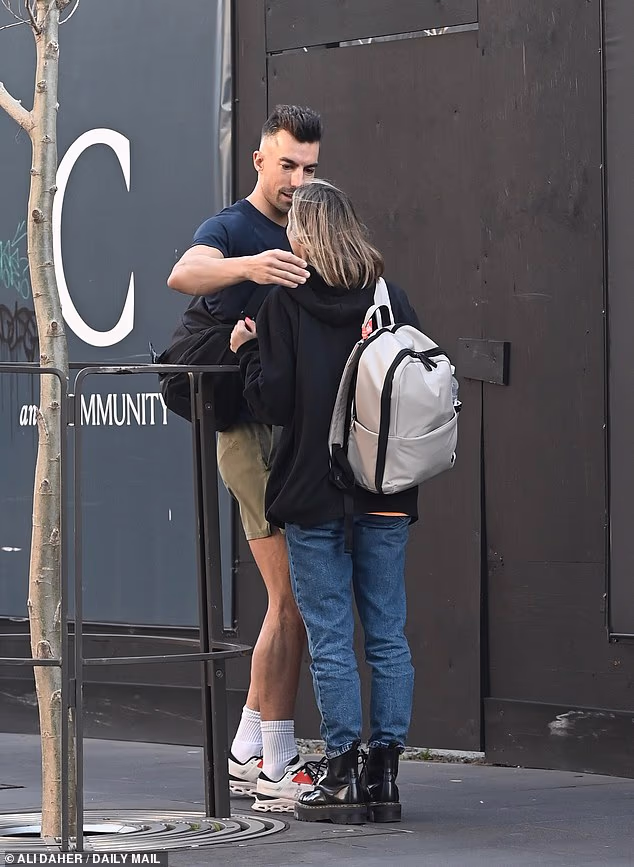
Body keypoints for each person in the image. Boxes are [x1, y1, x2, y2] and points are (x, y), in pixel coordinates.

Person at [230, 180, 418, 825]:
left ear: (307, 234)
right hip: (387, 487)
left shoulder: (282, 303)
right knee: (388, 636)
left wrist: (249, 349)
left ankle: (341, 774)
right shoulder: (389, 298)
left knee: (333, 638)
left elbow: (274, 403)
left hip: (314, 491)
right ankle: (385, 776)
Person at [167, 105, 323, 813]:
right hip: (248, 437)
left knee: (286, 604)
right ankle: (276, 761)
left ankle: (246, 747)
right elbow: (183, 273)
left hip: (294, 433)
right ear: (259, 161)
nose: (297, 179)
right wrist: (251, 265)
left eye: (309, 168)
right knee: (290, 601)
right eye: (286, 164)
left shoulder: (312, 223)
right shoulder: (232, 228)